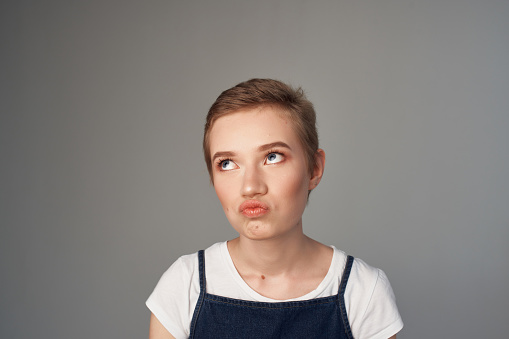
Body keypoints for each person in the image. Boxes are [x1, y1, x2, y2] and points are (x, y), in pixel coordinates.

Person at [147, 79, 403, 338]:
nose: (250, 187)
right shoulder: (184, 286)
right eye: (226, 163)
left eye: (272, 157)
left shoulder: (363, 292)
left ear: (314, 168)